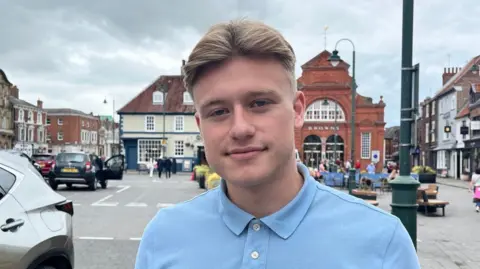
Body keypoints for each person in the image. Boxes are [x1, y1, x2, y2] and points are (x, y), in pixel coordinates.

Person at [135, 19, 420, 268]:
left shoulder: (381, 241)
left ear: (298, 111)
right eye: (218, 111)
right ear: (200, 125)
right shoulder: (164, 237)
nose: (240, 128)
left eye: (259, 103)